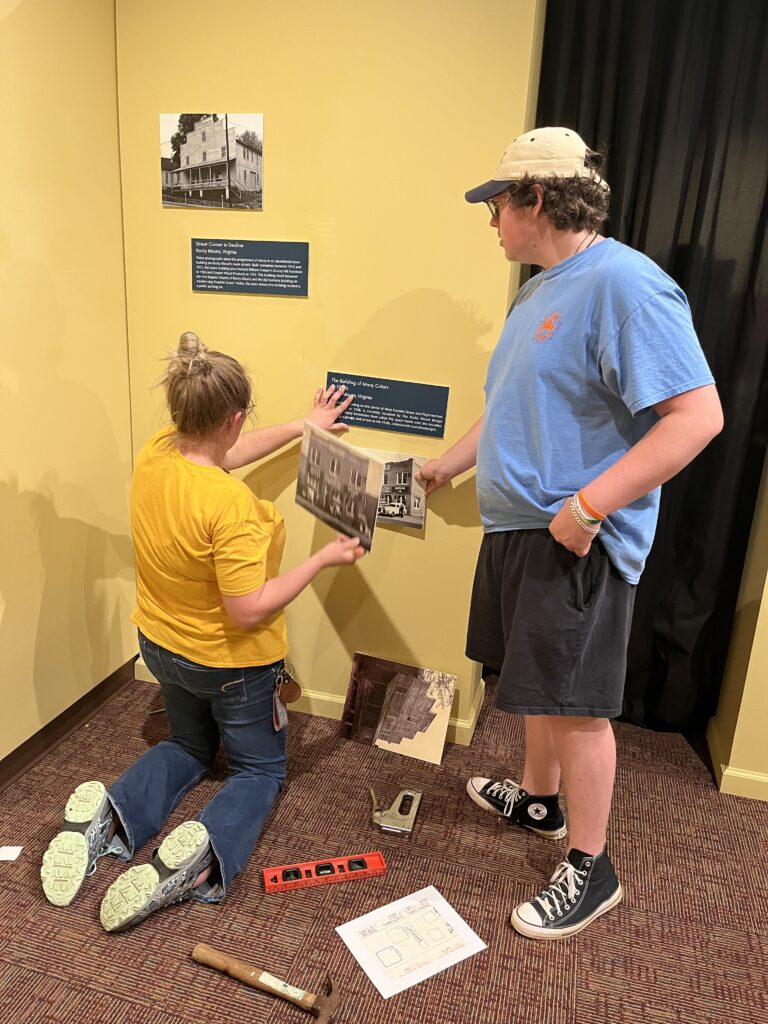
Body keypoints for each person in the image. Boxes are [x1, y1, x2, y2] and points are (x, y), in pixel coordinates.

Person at [418, 127, 723, 939]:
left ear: (536, 200)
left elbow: (698, 417)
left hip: (570, 537)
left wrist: (589, 508)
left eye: (495, 204)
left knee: (580, 705)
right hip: (521, 528)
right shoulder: (537, 292)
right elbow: (514, 405)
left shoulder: (625, 284)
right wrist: (447, 466)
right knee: (538, 684)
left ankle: (592, 869)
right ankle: (543, 804)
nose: (489, 221)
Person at [41, 332, 364, 932]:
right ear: (235, 417)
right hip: (231, 665)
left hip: (161, 649)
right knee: (260, 771)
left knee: (187, 745)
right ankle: (200, 856)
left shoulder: (157, 452)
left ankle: (109, 819)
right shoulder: (234, 509)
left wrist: (302, 427)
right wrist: (322, 561)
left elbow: (223, 456)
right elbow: (247, 610)